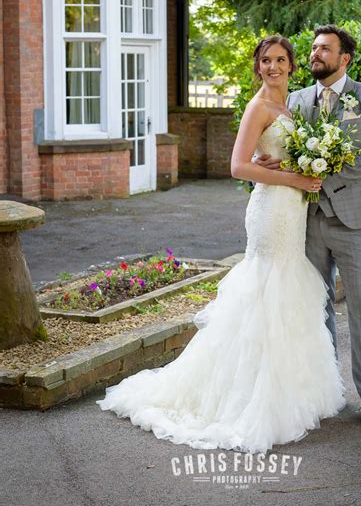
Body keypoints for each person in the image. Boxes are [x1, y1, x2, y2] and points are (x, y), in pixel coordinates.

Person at [97, 35, 345, 453]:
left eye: (281, 60)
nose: (273, 67)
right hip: (270, 212)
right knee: (265, 292)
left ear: (292, 65)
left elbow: (275, 155)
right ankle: (252, 399)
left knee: (288, 294)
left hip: (293, 210)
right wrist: (293, 178)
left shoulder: (292, 107)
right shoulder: (259, 107)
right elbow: (236, 166)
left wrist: (291, 166)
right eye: (266, 60)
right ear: (257, 66)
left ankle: (292, 392)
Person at [256, 25, 361, 427]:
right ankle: (327, 389)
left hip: (355, 219)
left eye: (324, 49)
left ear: (343, 58)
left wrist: (317, 175)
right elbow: (280, 150)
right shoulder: (295, 101)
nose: (315, 54)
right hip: (306, 219)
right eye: (313, 48)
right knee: (316, 305)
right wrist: (274, 165)